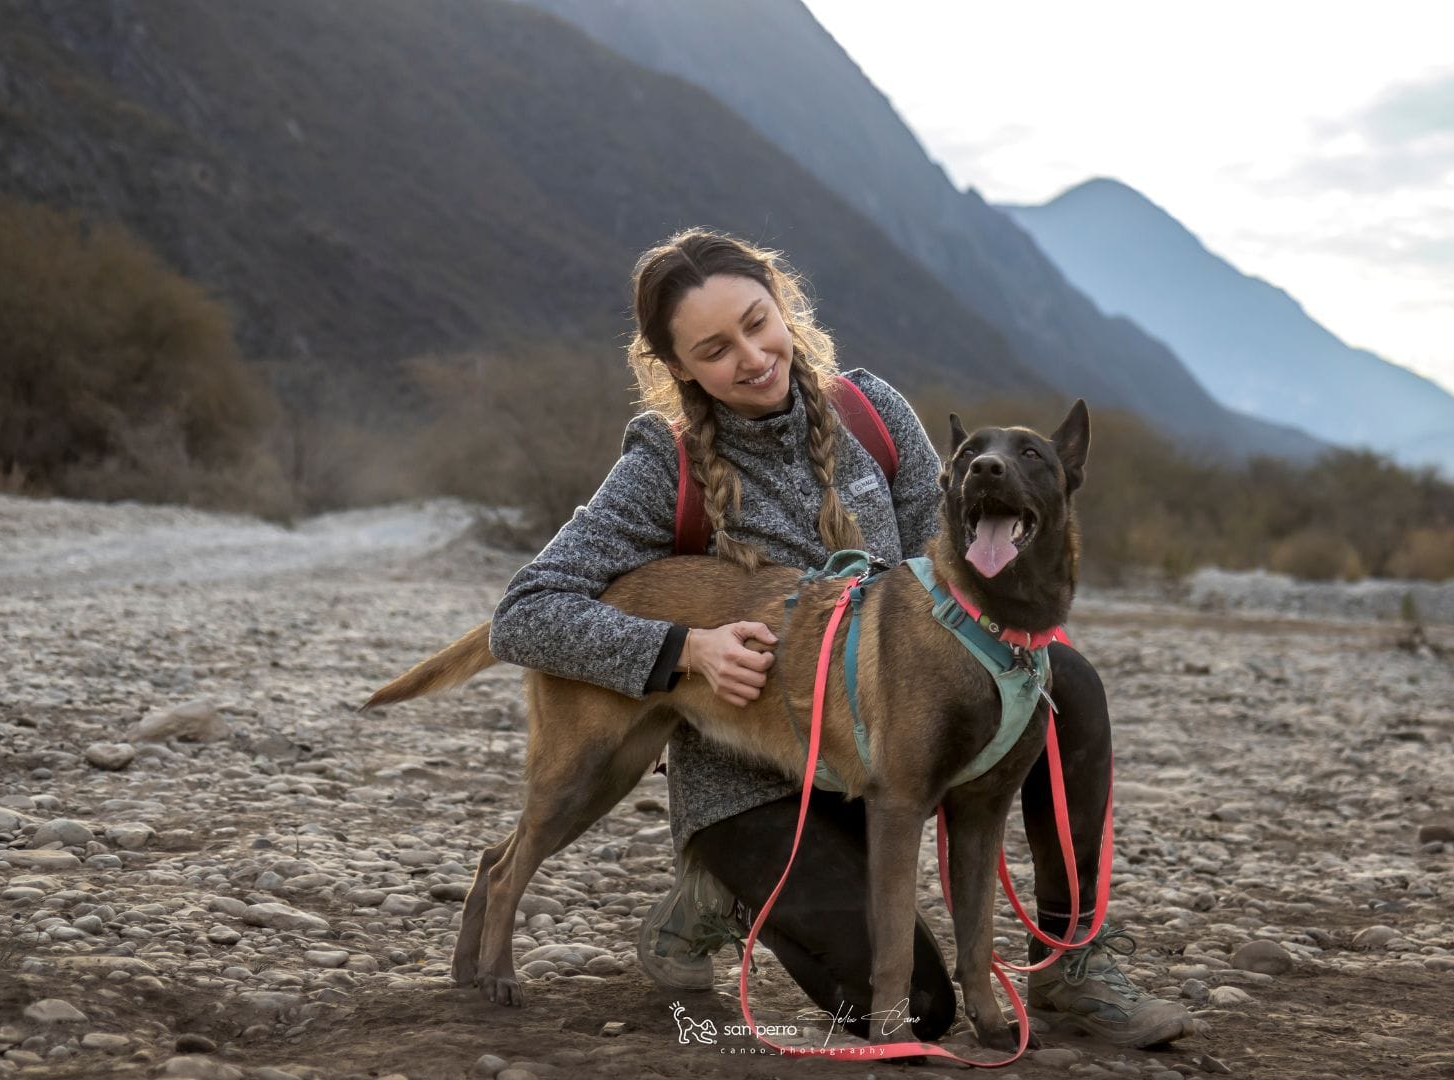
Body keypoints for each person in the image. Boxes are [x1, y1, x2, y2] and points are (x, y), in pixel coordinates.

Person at [485, 227, 1194, 1049]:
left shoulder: (871, 410)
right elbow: (524, 612)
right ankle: (718, 889)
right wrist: (685, 649)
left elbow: (958, 564)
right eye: (714, 349)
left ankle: (1070, 958)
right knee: (912, 1011)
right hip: (751, 775)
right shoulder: (660, 465)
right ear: (678, 367)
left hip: (887, 731)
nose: (751, 357)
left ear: (783, 307)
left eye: (757, 323)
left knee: (1063, 677)